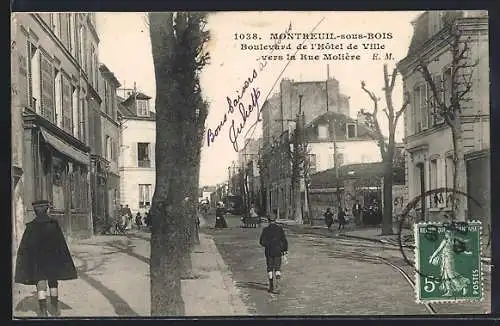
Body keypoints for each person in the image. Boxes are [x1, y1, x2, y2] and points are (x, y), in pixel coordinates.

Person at [15, 200, 78, 317]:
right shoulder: (53, 224)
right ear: (47, 210)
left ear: (35, 212)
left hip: (37, 260)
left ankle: (43, 311)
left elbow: (25, 247)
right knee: (53, 282)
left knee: (40, 282)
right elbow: (60, 244)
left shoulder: (30, 226)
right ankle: (54, 308)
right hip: (52, 259)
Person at [259, 209, 288, 294]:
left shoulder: (265, 230)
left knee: (270, 268)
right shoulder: (279, 229)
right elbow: (284, 241)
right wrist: (284, 250)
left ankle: (271, 285)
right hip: (278, 251)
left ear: (268, 220)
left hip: (269, 251)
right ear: (275, 219)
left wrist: (267, 245)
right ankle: (278, 284)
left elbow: (261, 242)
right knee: (277, 268)